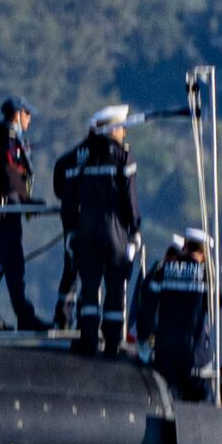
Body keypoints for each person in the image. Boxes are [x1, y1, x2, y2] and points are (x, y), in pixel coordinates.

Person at [56, 106, 143, 354]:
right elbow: (130, 199)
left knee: (89, 286)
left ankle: (88, 339)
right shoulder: (123, 156)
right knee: (116, 286)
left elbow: (68, 199)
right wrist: (135, 230)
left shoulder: (79, 155)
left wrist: (71, 231)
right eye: (121, 127)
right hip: (113, 228)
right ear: (112, 129)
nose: (124, 131)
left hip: (84, 228)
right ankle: (113, 343)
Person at [0, 97, 46, 333]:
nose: (29, 119)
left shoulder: (3, 133)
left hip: (3, 203)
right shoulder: (8, 134)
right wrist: (25, 199)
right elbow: (9, 168)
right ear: (17, 114)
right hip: (6, 205)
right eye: (27, 114)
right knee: (13, 264)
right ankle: (23, 316)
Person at [137, 233, 218, 389]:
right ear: (205, 253)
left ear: (184, 247)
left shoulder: (162, 271)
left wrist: (144, 340)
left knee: (166, 394)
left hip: (165, 348)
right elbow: (215, 306)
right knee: (196, 399)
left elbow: (147, 309)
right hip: (194, 350)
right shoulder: (207, 277)